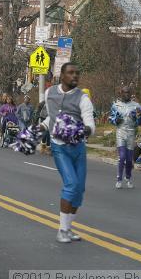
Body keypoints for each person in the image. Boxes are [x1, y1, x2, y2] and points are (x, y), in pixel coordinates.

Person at [39, 62, 95, 243]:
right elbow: (51, 116)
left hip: (78, 148)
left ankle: (69, 229)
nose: (75, 76)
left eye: (77, 73)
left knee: (79, 189)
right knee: (71, 184)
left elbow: (90, 124)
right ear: (62, 76)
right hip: (59, 146)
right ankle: (62, 230)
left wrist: (82, 130)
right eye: (71, 73)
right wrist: (41, 127)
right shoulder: (49, 93)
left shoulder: (83, 99)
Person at [111, 87, 141, 189]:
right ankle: (119, 179)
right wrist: (116, 120)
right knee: (122, 157)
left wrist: (137, 118)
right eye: (124, 92)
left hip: (131, 133)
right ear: (121, 93)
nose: (127, 94)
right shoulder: (116, 105)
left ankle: (128, 178)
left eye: (128, 92)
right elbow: (111, 118)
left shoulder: (136, 105)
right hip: (120, 132)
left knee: (129, 159)